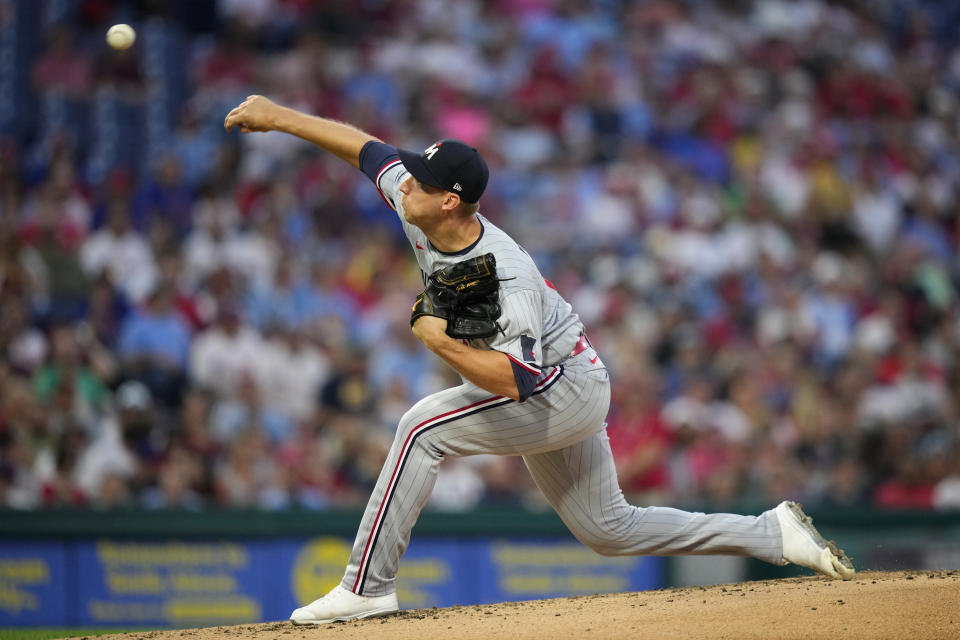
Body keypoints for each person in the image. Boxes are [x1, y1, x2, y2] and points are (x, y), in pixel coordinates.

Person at [223, 96, 855, 625]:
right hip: (562, 378)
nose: (405, 180)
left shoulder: (507, 275)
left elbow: (519, 382)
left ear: (450, 202)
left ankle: (367, 588)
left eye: (420, 179)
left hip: (562, 386)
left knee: (421, 428)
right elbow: (368, 151)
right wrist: (278, 116)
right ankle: (772, 535)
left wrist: (438, 342)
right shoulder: (420, 201)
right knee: (609, 530)